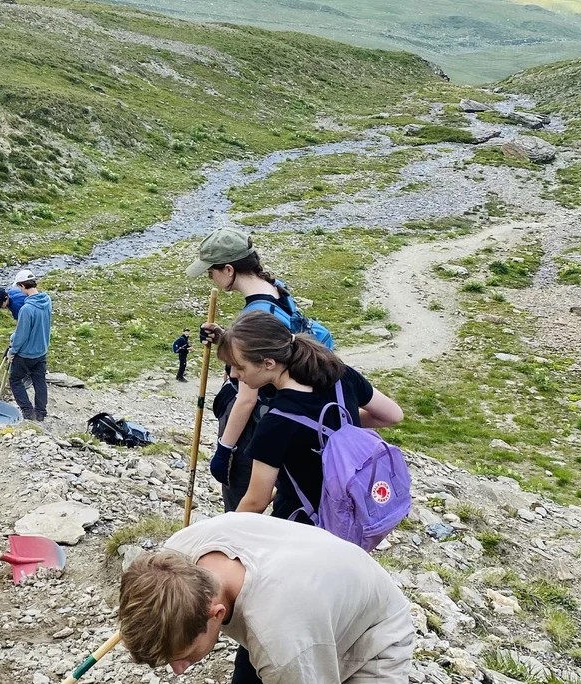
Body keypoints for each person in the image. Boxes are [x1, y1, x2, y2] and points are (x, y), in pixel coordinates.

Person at [118, 513, 414, 684]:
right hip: (324, 586)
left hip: (374, 631)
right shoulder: (177, 555)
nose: (178, 669)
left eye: (183, 656)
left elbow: (286, 653)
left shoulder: (280, 644)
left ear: (216, 613)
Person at [215, 312, 403, 520]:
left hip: (303, 528)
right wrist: (343, 425)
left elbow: (256, 501)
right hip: (353, 515)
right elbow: (392, 415)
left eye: (239, 367)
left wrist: (224, 531)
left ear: (269, 363)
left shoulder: (276, 422)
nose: (232, 374)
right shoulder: (343, 375)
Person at [185, 227, 310, 511]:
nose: (210, 278)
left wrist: (224, 449)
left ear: (228, 270)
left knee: (241, 502)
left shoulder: (255, 312)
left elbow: (247, 397)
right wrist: (227, 339)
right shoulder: (278, 291)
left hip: (254, 425)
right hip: (281, 411)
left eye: (210, 271)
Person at [7, 270, 52, 421]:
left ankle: (27, 412)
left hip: (26, 354)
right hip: (42, 350)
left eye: (19, 287)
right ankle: (40, 413)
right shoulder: (47, 300)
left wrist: (12, 351)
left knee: (14, 380)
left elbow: (21, 335)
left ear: (22, 285)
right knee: (39, 381)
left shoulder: (27, 309)